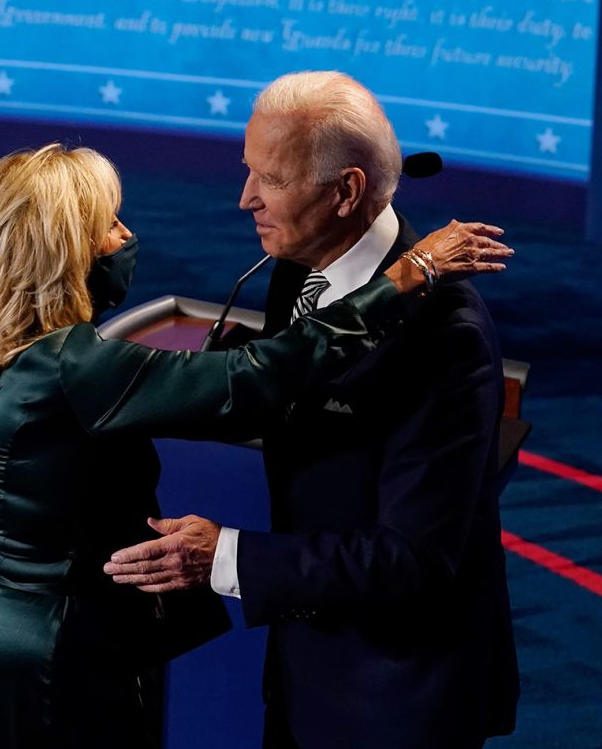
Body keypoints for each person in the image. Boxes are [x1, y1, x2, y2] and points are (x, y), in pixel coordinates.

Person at [0, 143, 509, 749]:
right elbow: (261, 376)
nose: (127, 235)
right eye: (109, 224)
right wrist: (407, 273)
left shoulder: (9, 333)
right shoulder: (74, 367)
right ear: (63, 252)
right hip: (50, 655)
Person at [105, 71, 520, 748]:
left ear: (346, 190)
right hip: (306, 671)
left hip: (395, 697)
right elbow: (290, 389)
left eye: (270, 180)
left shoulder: (446, 340)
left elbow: (412, 559)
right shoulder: (303, 262)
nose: (246, 200)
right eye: (249, 172)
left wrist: (225, 557)